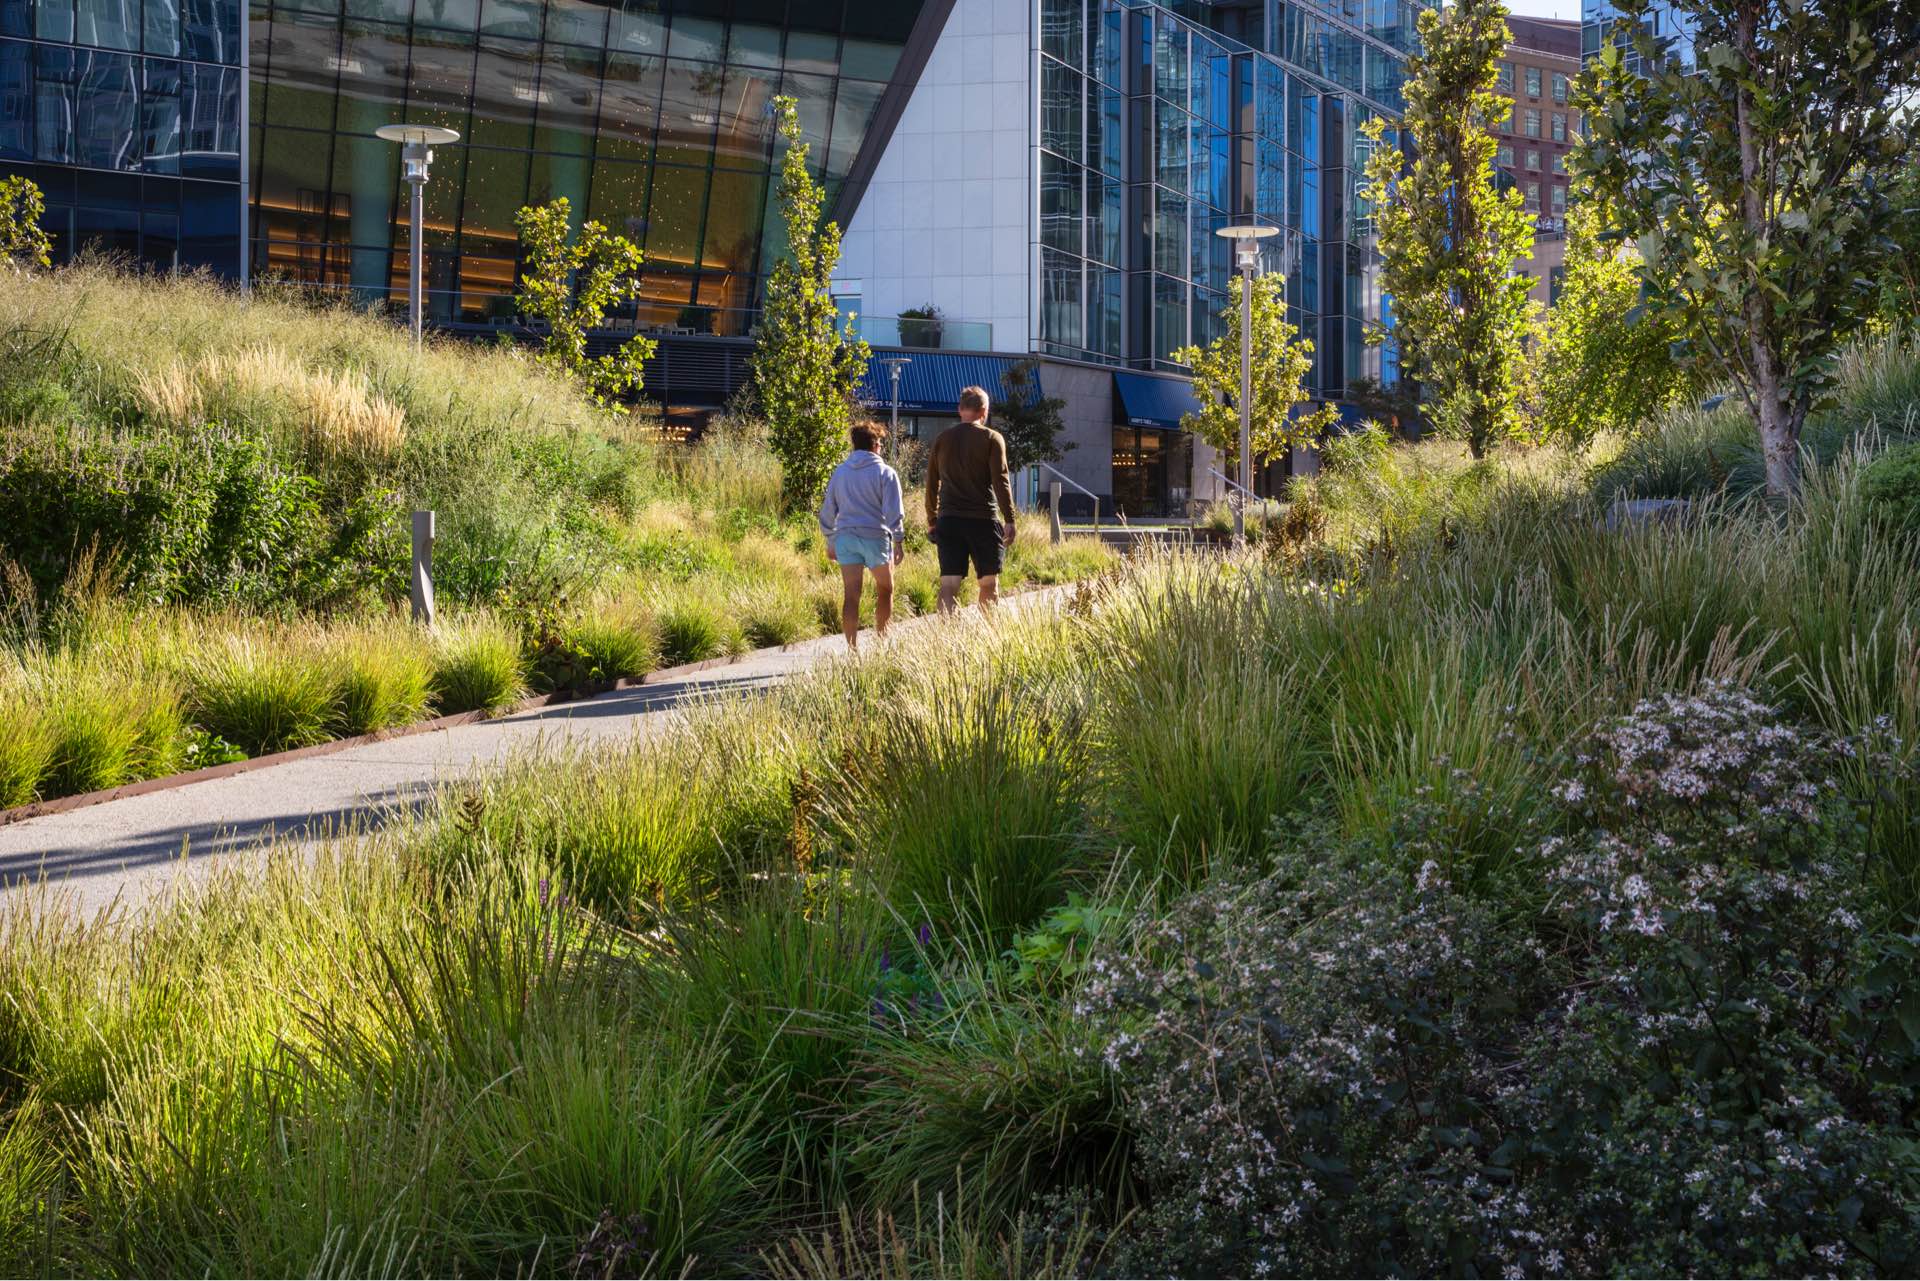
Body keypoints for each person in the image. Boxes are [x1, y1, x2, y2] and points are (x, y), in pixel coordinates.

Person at [925, 385, 1016, 615]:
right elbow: (1000, 481)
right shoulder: (992, 438)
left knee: (949, 584)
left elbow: (931, 481)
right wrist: (1010, 518)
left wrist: (932, 518)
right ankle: (986, 636)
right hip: (982, 520)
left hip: (949, 519)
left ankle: (945, 638)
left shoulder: (942, 439)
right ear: (984, 411)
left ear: (960, 409)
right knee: (988, 583)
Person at [817, 420, 905, 650]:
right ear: (876, 444)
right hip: (875, 537)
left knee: (851, 595)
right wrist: (898, 540)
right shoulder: (886, 472)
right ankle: (881, 644)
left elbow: (828, 510)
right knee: (885, 589)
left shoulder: (840, 472)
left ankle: (852, 650)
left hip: (846, 538)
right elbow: (893, 512)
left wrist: (831, 539)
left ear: (854, 445)